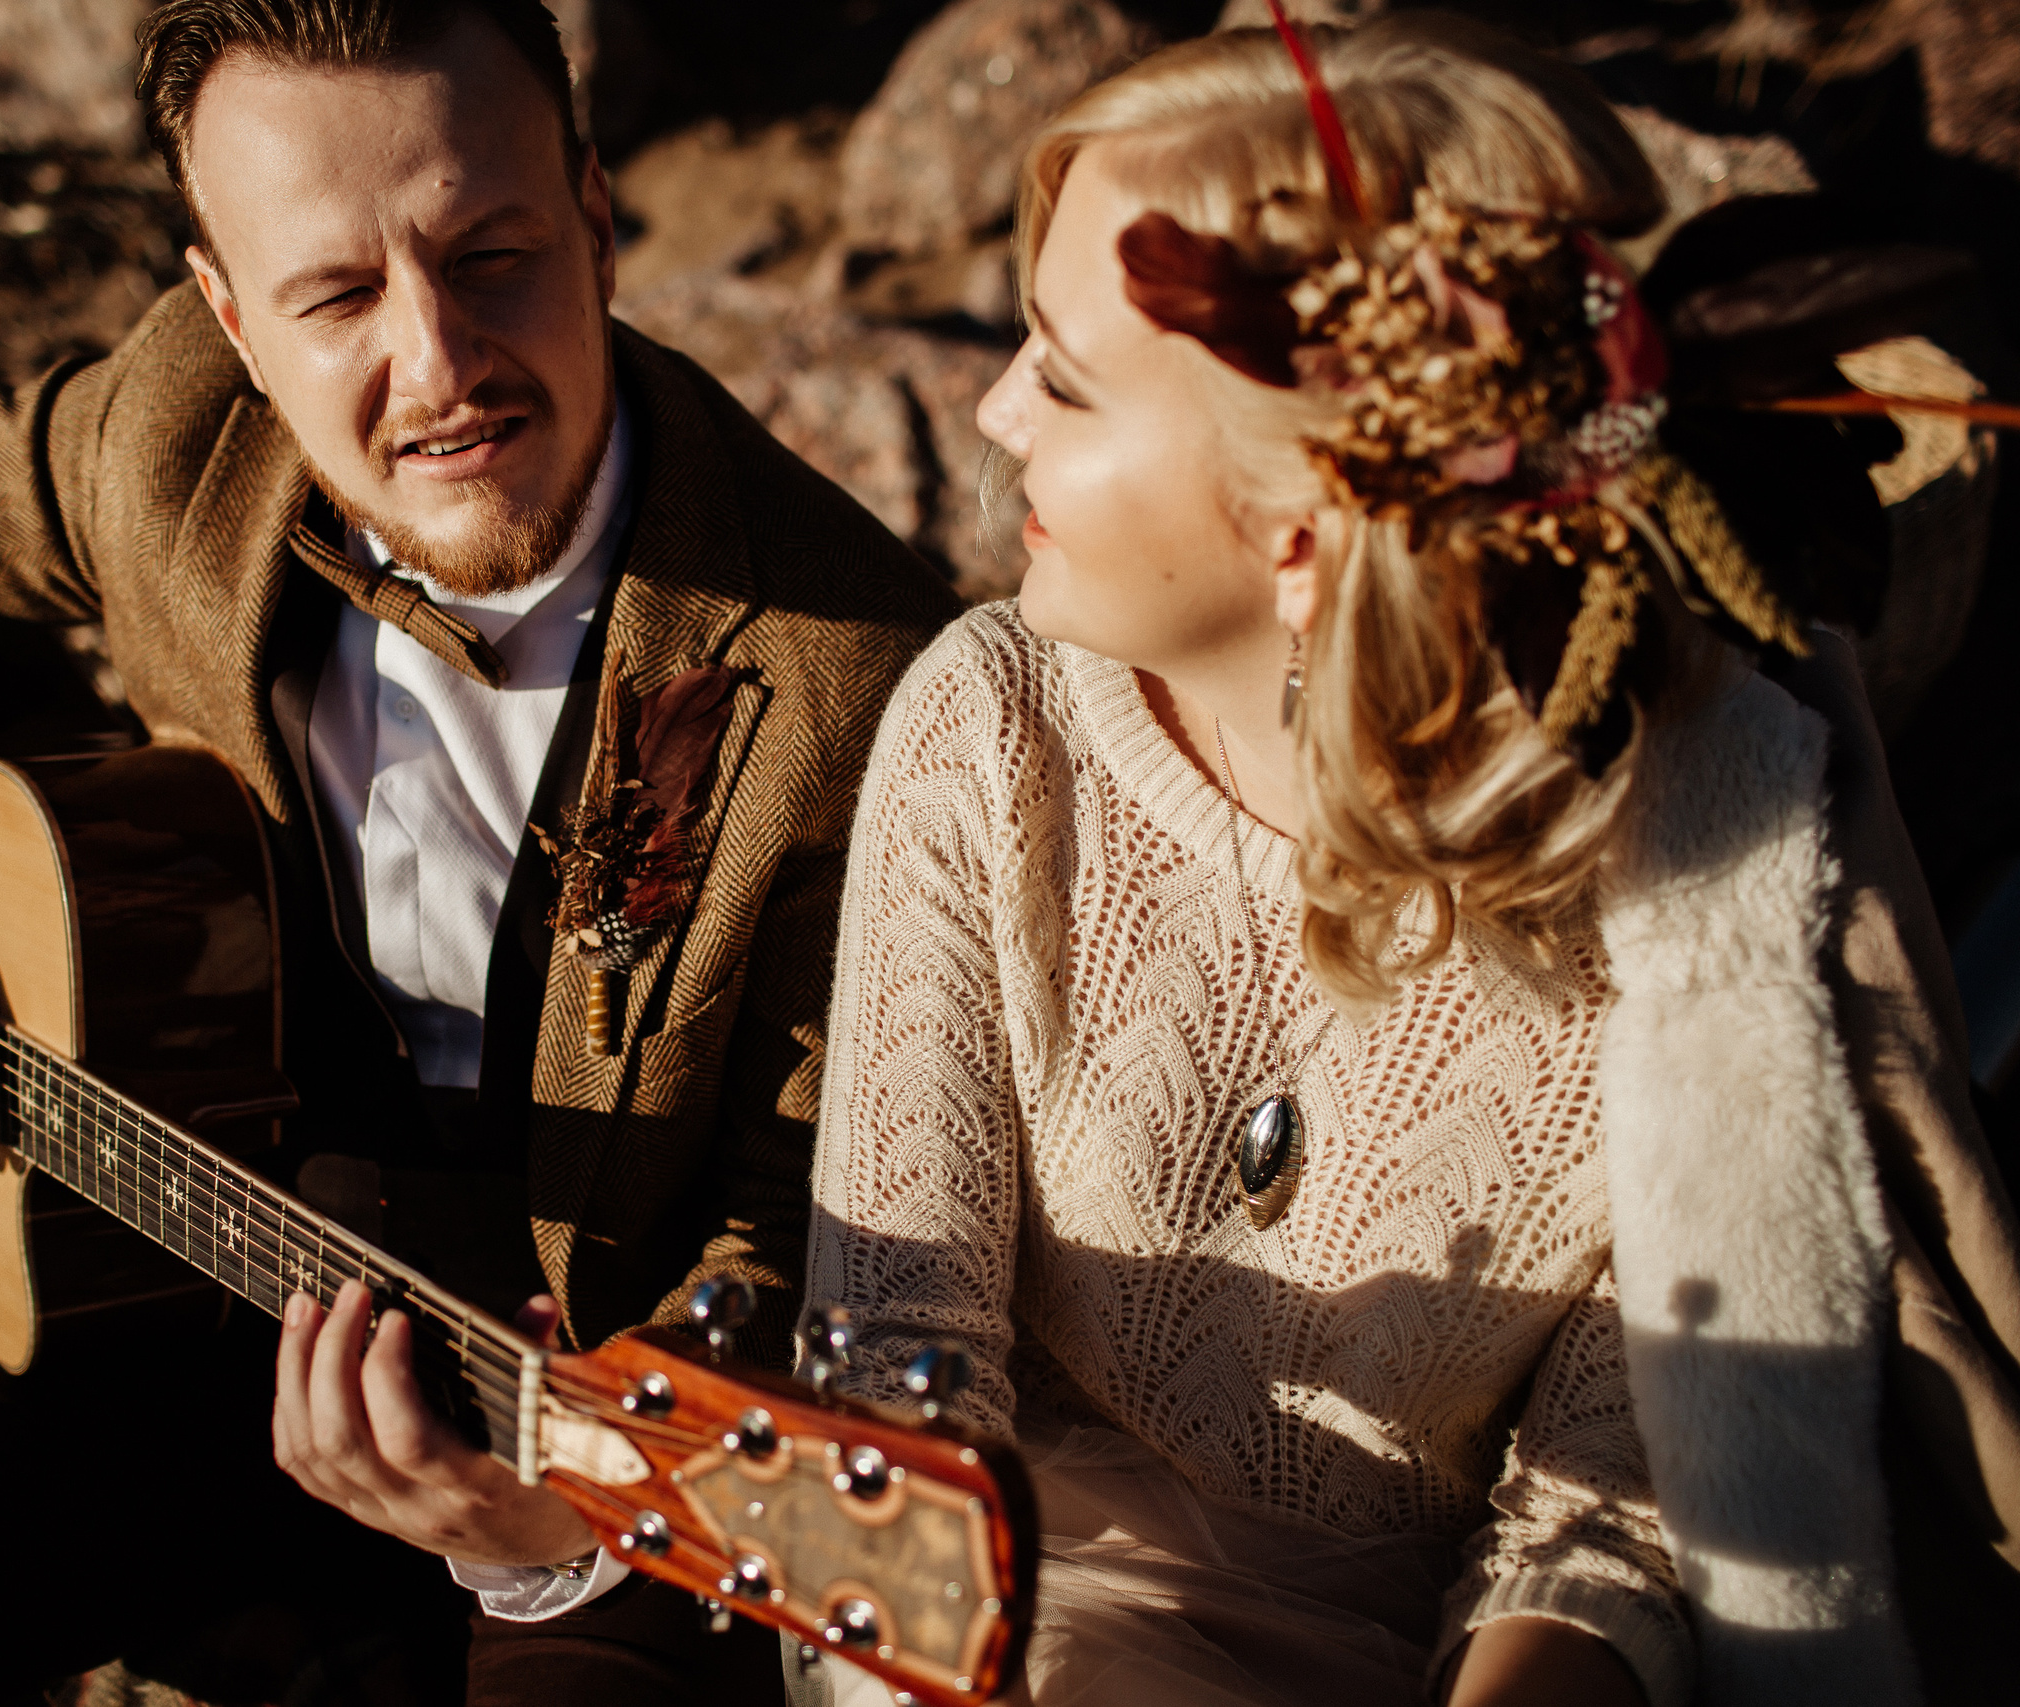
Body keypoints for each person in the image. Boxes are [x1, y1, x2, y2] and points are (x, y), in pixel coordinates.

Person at [0, 2, 958, 1703]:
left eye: (492, 253)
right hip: (170, 1275)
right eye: (338, 296)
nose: (437, 367)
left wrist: (541, 1527)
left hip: (577, 1422)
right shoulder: (180, 429)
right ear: (228, 309)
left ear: (598, 212)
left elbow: (793, 1216)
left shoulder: (859, 670)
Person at [802, 15, 2020, 1707]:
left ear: (1302, 536)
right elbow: (892, 1348)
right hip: (1000, 1627)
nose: (996, 410)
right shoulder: (988, 727)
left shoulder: (1671, 881)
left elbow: (1625, 1500)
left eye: (1065, 377)